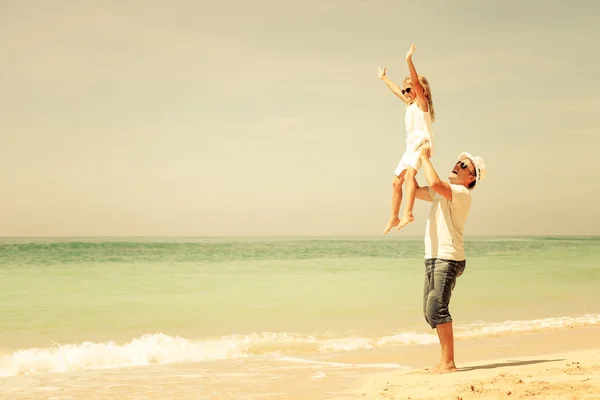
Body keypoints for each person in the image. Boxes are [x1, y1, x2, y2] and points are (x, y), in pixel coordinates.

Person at [414, 143, 487, 373]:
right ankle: (444, 360)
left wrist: (425, 157)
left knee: (437, 308)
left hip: (448, 258)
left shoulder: (461, 193)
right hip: (434, 256)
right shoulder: (444, 192)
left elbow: (434, 183)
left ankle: (449, 362)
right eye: (458, 161)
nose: (457, 165)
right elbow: (415, 191)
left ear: (471, 178)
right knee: (430, 312)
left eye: (463, 164)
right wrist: (409, 165)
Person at [379, 44, 436, 234]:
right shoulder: (409, 104)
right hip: (410, 146)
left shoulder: (422, 104)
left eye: (409, 90)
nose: (407, 93)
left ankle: (408, 213)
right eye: (406, 91)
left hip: (422, 144)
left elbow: (416, 84)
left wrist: (408, 61)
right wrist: (384, 78)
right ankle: (394, 217)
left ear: (421, 91)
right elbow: (396, 90)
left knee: (410, 176)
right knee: (396, 182)